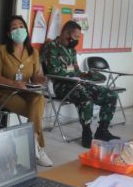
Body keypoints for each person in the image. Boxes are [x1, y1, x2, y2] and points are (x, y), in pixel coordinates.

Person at [42, 20, 119, 148]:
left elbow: (75, 70)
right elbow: (54, 72)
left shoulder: (71, 51)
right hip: (61, 85)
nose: (77, 40)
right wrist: (75, 76)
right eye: (76, 36)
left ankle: (102, 131)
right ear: (66, 33)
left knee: (111, 95)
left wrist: (86, 75)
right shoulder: (51, 47)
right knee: (86, 99)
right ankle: (87, 133)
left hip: (77, 82)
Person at [0, 15, 52, 167]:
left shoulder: (33, 52)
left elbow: (36, 75)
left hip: (25, 91)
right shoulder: (2, 50)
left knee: (39, 100)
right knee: (35, 110)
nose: (19, 30)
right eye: (14, 28)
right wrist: (13, 83)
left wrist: (41, 80)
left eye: (21, 26)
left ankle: (32, 140)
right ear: (8, 33)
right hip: (4, 93)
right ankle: (37, 147)